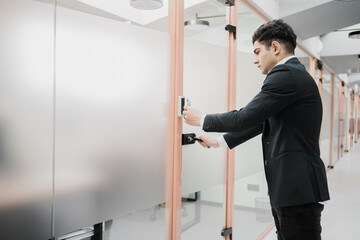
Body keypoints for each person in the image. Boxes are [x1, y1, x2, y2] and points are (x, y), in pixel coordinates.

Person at [183, 19, 330, 240]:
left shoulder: (285, 76)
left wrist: (202, 119)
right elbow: (262, 122)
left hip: (296, 188)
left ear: (276, 48)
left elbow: (244, 117)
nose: (255, 60)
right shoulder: (293, 75)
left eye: (257, 51)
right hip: (292, 187)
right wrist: (220, 141)